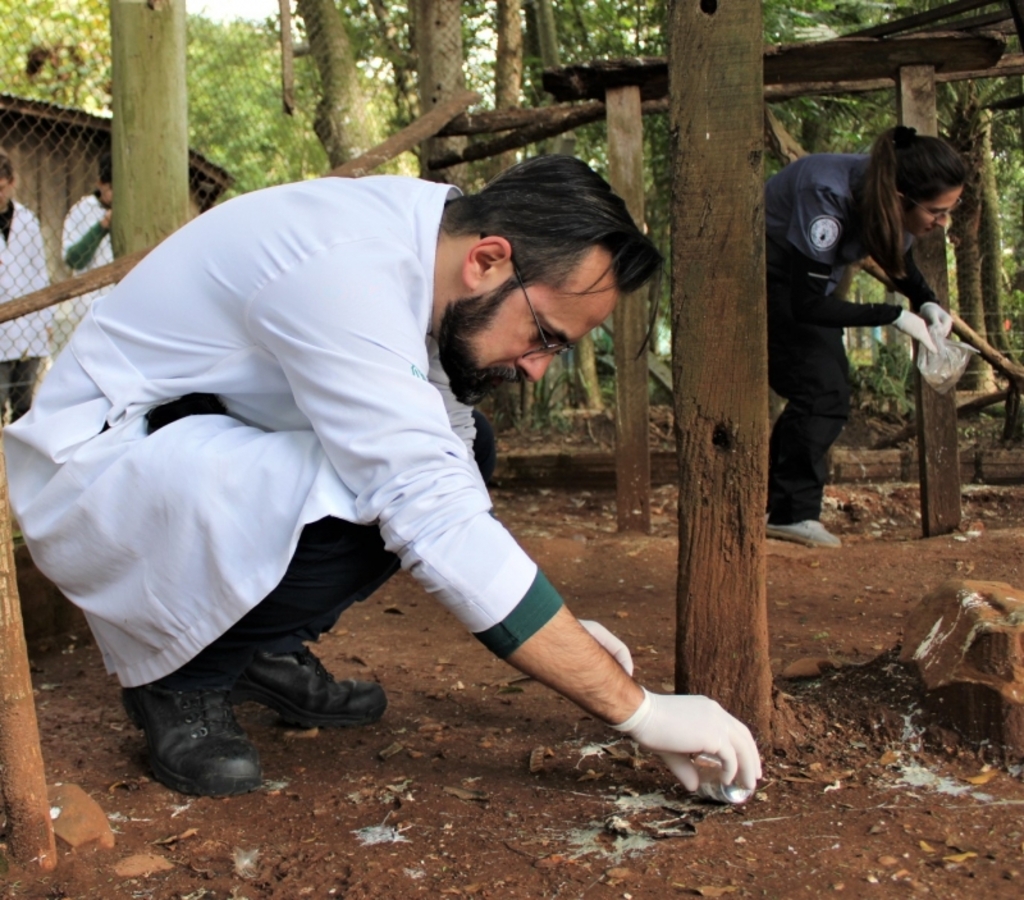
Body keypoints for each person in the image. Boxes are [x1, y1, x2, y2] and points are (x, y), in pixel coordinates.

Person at [6, 156, 762, 799]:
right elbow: (430, 513)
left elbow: (449, 465)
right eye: (543, 336)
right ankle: (181, 679)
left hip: (203, 436)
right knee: (373, 495)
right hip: (102, 466)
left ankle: (254, 648)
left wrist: (558, 629)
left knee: (468, 451)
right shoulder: (349, 270)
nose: (535, 368)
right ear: (489, 259)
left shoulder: (433, 243)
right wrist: (640, 712)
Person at [764, 125, 965, 549]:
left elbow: (899, 253)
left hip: (809, 284)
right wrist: (893, 314)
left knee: (824, 391)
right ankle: (789, 513)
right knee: (821, 391)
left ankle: (780, 506)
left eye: (949, 210)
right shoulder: (828, 196)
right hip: (766, 276)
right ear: (900, 198)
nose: (943, 222)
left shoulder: (890, 194)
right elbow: (806, 305)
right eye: (936, 211)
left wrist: (925, 301)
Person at [0, 150, 51, 423]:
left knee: (25, 408)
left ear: (12, 182)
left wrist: (46, 320)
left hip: (29, 328)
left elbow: (39, 272)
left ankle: (19, 463)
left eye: (0, 188)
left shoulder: (28, 222)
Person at [54, 152, 114, 356]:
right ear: (100, 184)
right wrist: (102, 226)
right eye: (111, 189)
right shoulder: (82, 210)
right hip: (90, 310)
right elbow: (73, 259)